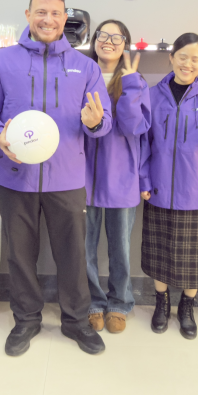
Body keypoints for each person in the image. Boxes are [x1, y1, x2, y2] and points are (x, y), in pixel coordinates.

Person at [0, 0, 112, 356]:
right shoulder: (2, 62)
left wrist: (95, 122)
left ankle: (76, 321)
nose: (48, 20)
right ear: (28, 15)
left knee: (73, 254)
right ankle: (26, 320)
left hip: (67, 177)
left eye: (55, 13)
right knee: (20, 255)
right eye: (41, 12)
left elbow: (105, 121)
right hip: (15, 176)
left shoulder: (85, 67)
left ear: (65, 18)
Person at [139, 33, 198, 340]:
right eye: (182, 56)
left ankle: (187, 306)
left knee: (195, 258)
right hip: (160, 189)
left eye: (195, 59)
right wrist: (144, 179)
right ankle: (161, 303)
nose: (188, 64)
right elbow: (144, 143)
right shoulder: (153, 96)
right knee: (160, 252)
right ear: (172, 57)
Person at [83, 20, 151, 334]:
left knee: (120, 248)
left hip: (122, 176)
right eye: (103, 35)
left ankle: (119, 303)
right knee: (83, 246)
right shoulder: (82, 75)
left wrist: (132, 84)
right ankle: (92, 302)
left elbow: (136, 127)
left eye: (117, 37)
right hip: (82, 176)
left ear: (125, 44)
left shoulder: (136, 82)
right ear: (94, 40)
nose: (108, 41)